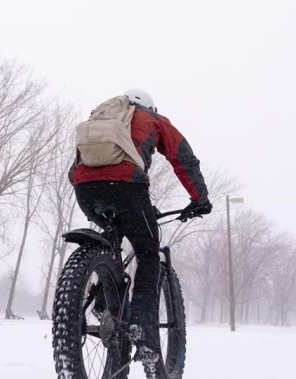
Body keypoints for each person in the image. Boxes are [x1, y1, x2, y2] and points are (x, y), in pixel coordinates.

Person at [69, 88, 212, 377]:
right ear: (149, 106)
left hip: (85, 189)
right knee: (148, 253)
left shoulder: (101, 117)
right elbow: (183, 158)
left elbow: (79, 164)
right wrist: (200, 199)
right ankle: (143, 327)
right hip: (128, 189)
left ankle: (105, 303)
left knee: (113, 238)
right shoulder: (153, 119)